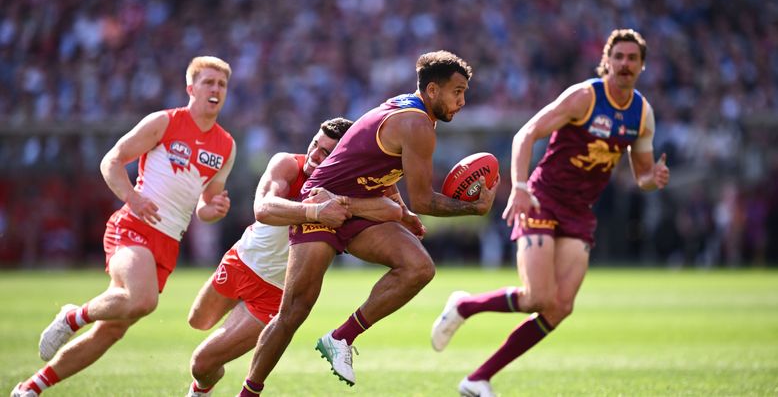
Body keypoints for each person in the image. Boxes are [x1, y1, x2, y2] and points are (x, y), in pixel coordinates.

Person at [238, 50, 498, 396]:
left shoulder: (406, 108)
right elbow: (425, 200)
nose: (463, 101)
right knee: (294, 313)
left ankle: (341, 338)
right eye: (458, 91)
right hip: (323, 201)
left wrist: (402, 212)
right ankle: (248, 394)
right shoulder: (417, 125)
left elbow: (377, 170)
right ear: (432, 90)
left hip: (359, 208)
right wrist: (474, 209)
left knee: (418, 267)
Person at [430, 29, 671, 396]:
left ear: (641, 65)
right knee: (537, 298)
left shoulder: (642, 114)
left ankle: (477, 378)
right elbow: (525, 134)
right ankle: (465, 305)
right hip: (542, 197)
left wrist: (654, 177)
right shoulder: (584, 97)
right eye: (618, 57)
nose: (624, 64)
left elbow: (641, 177)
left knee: (559, 307)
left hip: (579, 212)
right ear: (606, 61)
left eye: (632, 58)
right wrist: (522, 187)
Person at [11, 56, 237, 397]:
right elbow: (111, 160)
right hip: (133, 226)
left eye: (221, 84)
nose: (215, 89)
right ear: (191, 88)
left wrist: (214, 209)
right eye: (208, 82)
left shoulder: (226, 146)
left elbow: (205, 207)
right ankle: (73, 316)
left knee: (111, 331)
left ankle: (30, 388)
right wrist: (132, 198)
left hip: (168, 242)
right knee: (142, 300)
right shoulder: (164, 122)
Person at [185, 117, 405, 397]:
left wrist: (353, 205)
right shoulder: (287, 164)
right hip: (240, 261)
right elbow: (263, 208)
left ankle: (200, 388)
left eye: (326, 152)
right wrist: (314, 212)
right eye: (315, 144)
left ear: (343, 156)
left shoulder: (349, 187)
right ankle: (213, 367)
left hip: (274, 293)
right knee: (198, 321)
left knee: (201, 364)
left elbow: (392, 208)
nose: (315, 154)